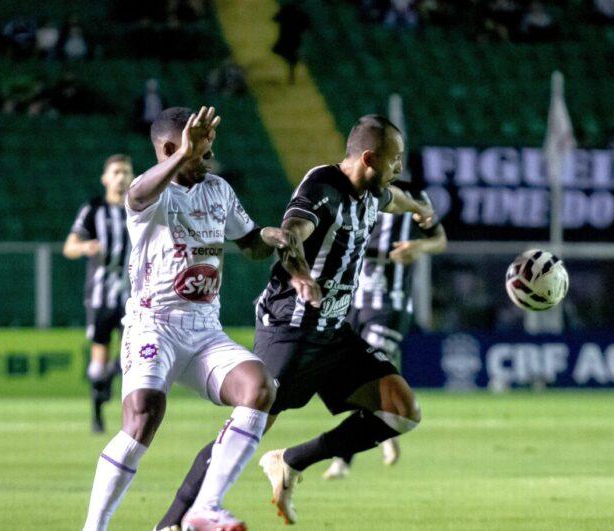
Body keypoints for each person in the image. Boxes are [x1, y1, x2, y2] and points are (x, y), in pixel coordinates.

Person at [154, 114, 434, 529]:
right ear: (369, 158)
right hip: (290, 328)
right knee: (245, 429)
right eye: (395, 160)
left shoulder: (371, 194)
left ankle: (290, 462)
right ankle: (170, 522)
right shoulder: (323, 187)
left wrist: (418, 207)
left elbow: (394, 197)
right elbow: (291, 233)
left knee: (401, 408)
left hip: (335, 335)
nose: (398, 169)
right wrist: (301, 275)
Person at [81, 106, 292, 531]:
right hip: (152, 325)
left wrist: (268, 236)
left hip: (204, 332)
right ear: (168, 148)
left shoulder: (218, 189)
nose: (208, 157)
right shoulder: (150, 193)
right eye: (199, 150)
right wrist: (182, 158)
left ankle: (205, 508)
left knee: (260, 388)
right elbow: (136, 194)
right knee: (143, 416)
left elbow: (248, 242)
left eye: (209, 148)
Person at [322, 177, 446, 480]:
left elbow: (439, 239)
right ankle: (386, 427)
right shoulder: (352, 194)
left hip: (391, 304)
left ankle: (343, 458)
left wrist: (418, 246)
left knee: (368, 373)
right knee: (355, 378)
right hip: (352, 302)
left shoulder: (415, 195)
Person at [63, 155, 134, 434]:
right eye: (116, 172)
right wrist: (85, 247)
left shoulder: (140, 208)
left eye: (126, 172)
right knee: (99, 357)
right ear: (105, 178)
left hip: (133, 296)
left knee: (134, 351)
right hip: (100, 295)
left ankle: (109, 383)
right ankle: (97, 411)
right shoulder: (93, 209)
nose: (121, 177)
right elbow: (69, 247)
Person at [272, 1, 309, 84]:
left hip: (286, 38)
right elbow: (306, 26)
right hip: (294, 39)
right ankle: (294, 67)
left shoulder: (287, 10)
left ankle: (292, 74)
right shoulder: (300, 13)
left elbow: (275, 18)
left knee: (281, 52)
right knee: (286, 54)